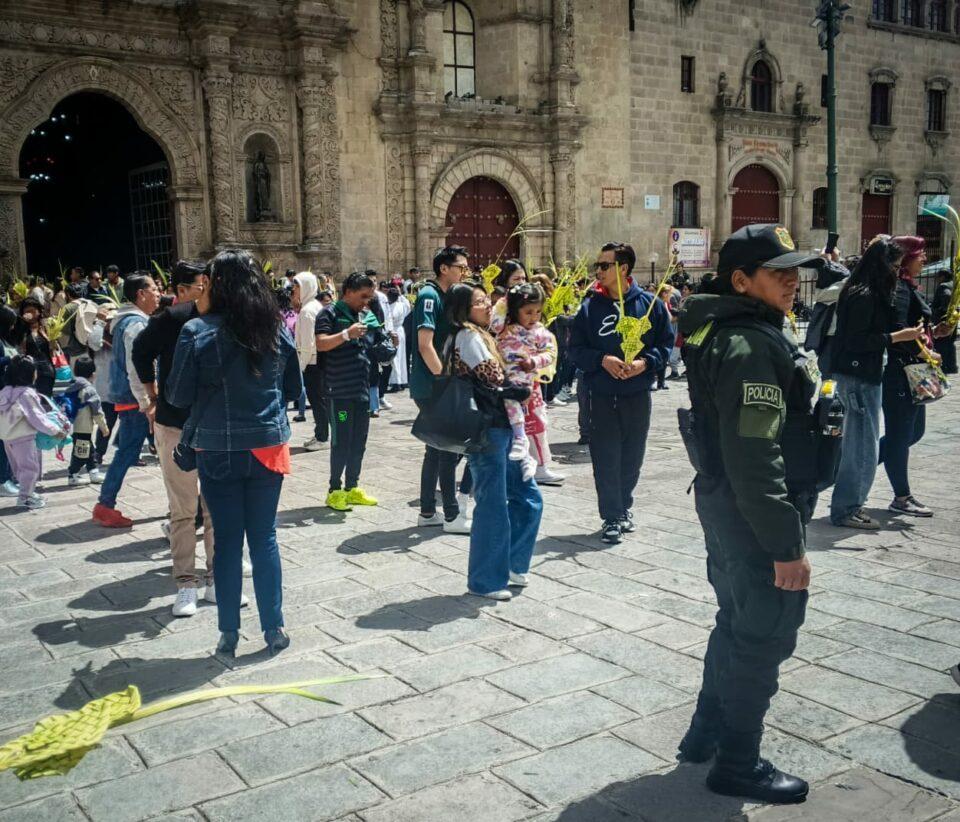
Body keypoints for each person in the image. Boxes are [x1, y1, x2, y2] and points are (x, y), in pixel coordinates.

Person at [675, 223, 827, 804]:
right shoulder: (749, 345)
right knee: (764, 631)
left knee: (736, 619)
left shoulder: (728, 329)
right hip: (752, 513)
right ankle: (738, 763)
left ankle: (706, 734)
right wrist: (786, 546)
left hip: (725, 503)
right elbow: (755, 456)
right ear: (741, 281)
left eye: (795, 271)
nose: (792, 281)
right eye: (778, 272)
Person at [167, 249, 302, 657]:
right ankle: (274, 627)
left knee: (226, 541)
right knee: (265, 538)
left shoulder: (196, 331)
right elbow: (294, 390)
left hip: (217, 448)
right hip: (267, 446)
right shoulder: (275, 329)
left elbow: (177, 395)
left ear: (216, 286)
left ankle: (228, 632)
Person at [569, 242, 674, 544]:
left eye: (604, 265)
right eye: (597, 266)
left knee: (632, 456)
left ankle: (624, 505)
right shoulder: (589, 308)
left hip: (637, 394)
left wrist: (645, 363)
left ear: (623, 268)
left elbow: (665, 345)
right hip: (601, 395)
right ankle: (612, 516)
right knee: (605, 457)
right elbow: (575, 350)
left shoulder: (651, 305)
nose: (598, 271)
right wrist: (602, 360)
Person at [444, 283, 543, 600]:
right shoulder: (468, 337)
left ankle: (512, 565)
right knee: (492, 506)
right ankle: (485, 581)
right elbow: (494, 378)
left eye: (486, 299)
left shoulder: (485, 334)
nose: (487, 304)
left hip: (503, 427)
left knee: (528, 497)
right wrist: (519, 386)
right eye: (479, 302)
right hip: (487, 430)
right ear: (463, 309)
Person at [133, 260, 218, 617]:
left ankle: (217, 578)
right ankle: (186, 583)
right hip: (175, 424)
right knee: (183, 510)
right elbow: (140, 352)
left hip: (215, 427)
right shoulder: (173, 318)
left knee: (216, 509)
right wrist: (152, 396)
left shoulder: (227, 319)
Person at [829, 240, 924, 530]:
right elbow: (856, 341)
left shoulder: (866, 291)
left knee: (863, 445)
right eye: (893, 266)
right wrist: (897, 337)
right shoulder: (864, 294)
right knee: (861, 447)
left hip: (866, 375)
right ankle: (847, 508)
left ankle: (850, 505)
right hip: (857, 376)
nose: (896, 272)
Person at [92, 273, 160, 528]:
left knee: (151, 451)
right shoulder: (136, 325)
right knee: (130, 451)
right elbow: (136, 366)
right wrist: (147, 401)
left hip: (132, 396)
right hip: (137, 399)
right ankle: (105, 504)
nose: (158, 293)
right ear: (141, 294)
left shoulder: (126, 322)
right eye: (154, 289)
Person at [410, 245, 470, 534]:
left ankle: (427, 511)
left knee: (435, 448)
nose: (464, 272)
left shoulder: (447, 296)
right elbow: (425, 345)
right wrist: (444, 379)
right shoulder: (429, 296)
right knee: (447, 447)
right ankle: (451, 515)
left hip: (438, 382)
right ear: (444, 268)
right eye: (460, 267)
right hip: (432, 384)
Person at [879, 236, 939, 517]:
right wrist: (927, 352)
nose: (924, 259)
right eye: (920, 254)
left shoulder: (908, 286)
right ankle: (901, 497)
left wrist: (935, 333)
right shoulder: (900, 289)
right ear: (906, 259)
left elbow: (915, 329)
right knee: (900, 435)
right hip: (902, 372)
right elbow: (900, 331)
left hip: (914, 373)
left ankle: (853, 464)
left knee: (913, 433)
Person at [314, 271, 382, 511]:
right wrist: (346, 334)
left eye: (369, 297)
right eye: (363, 296)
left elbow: (368, 346)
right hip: (339, 392)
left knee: (358, 442)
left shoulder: (362, 315)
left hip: (361, 391)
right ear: (349, 292)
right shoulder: (329, 313)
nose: (366, 302)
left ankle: (352, 487)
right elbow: (321, 343)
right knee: (341, 442)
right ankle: (334, 490)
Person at [496, 283, 563, 484]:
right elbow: (494, 320)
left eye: (538, 312)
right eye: (528, 312)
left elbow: (550, 352)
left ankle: (540, 465)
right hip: (506, 382)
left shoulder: (540, 331)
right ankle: (519, 461)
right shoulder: (504, 327)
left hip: (529, 385)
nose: (534, 317)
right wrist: (506, 300)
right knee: (510, 419)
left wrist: (534, 361)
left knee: (537, 424)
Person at [0, 355, 69, 509]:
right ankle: (25, 498)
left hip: (7, 438)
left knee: (18, 468)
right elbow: (38, 418)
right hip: (23, 438)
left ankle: (27, 492)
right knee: (30, 468)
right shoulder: (27, 393)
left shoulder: (5, 391)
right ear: (29, 374)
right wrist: (55, 431)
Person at [293, 272, 327, 451]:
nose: (294, 290)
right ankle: (321, 433)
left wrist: (300, 367)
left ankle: (323, 437)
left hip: (312, 363)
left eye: (297, 286)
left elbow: (307, 344)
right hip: (318, 361)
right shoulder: (315, 306)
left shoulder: (307, 312)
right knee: (320, 401)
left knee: (317, 401)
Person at [64, 356, 109, 486]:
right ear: (93, 374)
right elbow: (97, 412)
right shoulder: (89, 390)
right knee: (81, 453)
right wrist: (104, 427)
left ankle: (93, 472)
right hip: (84, 427)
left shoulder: (72, 386)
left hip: (74, 425)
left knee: (89, 450)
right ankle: (73, 475)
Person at [18, 298, 56, 397]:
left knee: (45, 400)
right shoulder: (21, 330)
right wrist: (22, 323)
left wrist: (51, 340)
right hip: (29, 373)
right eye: (27, 312)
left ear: (39, 312)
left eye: (32, 311)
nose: (30, 314)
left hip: (47, 370)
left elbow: (54, 348)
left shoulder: (47, 327)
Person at [932, 269, 957, 375]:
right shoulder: (953, 285)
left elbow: (946, 296)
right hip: (952, 319)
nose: (936, 279)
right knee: (950, 343)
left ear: (942, 276)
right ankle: (951, 366)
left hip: (943, 320)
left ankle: (943, 366)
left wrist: (941, 310)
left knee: (941, 344)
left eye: (938, 276)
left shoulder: (943, 286)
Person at [386, 285, 412, 391]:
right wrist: (401, 295)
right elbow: (408, 306)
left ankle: (396, 382)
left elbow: (388, 322)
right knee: (401, 357)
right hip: (401, 331)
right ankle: (402, 381)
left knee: (395, 358)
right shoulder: (402, 305)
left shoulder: (390, 308)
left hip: (394, 332)